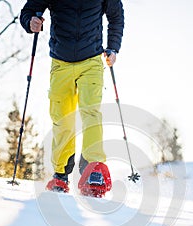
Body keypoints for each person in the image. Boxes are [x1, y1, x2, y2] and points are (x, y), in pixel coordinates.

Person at [20, 0, 124, 196]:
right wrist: (30, 21)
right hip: (60, 62)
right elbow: (28, 11)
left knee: (91, 112)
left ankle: (93, 170)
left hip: (92, 60)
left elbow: (116, 16)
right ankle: (60, 174)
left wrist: (113, 48)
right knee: (62, 119)